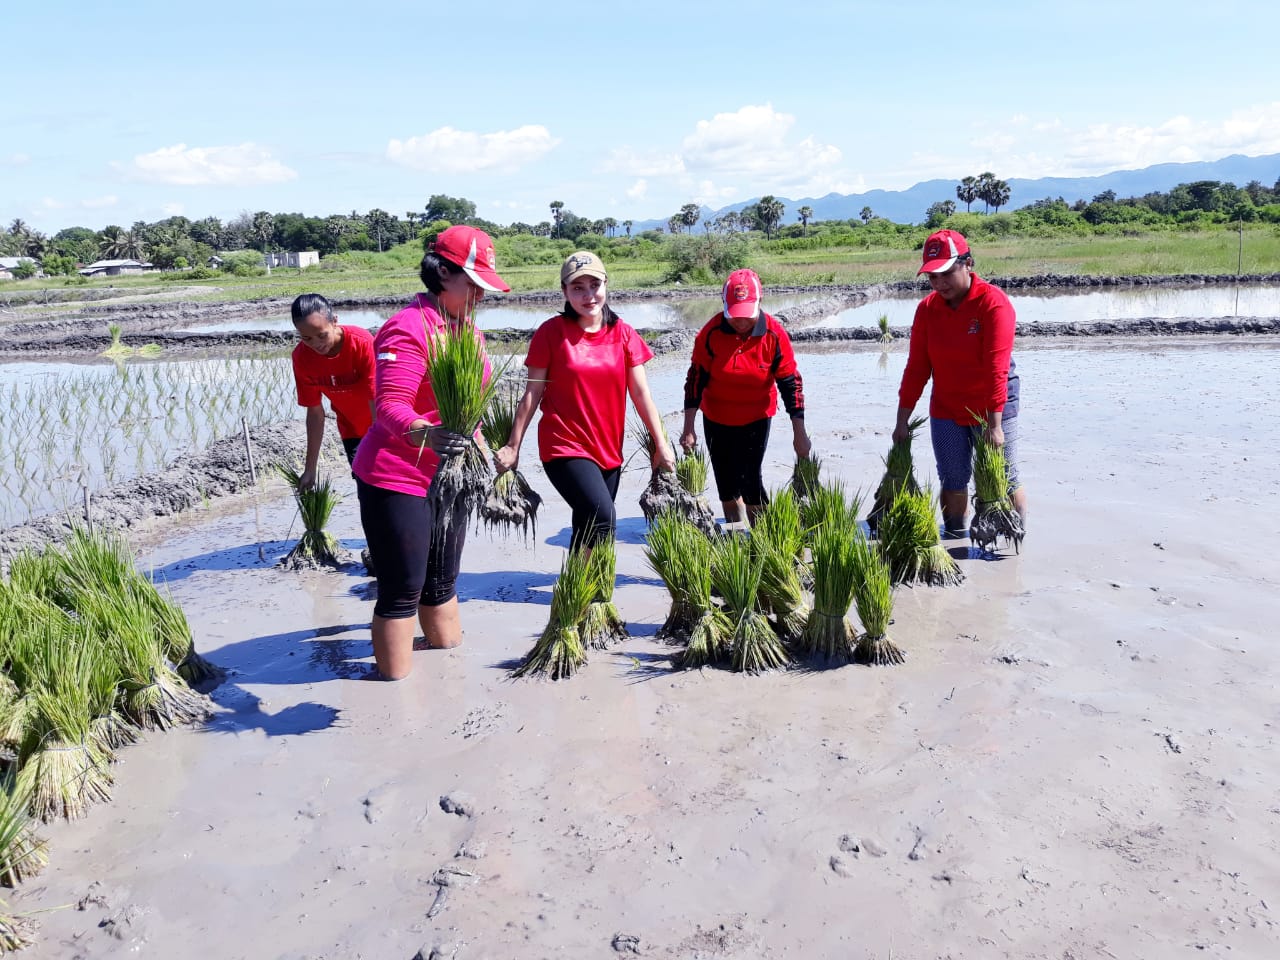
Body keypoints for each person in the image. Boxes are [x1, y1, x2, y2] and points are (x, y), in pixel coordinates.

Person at [350, 225, 508, 680]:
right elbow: (389, 406)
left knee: (441, 582)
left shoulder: (465, 329)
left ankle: (448, 673)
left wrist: (481, 447)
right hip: (396, 475)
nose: (481, 295)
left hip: (450, 474)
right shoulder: (409, 327)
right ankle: (392, 698)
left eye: (485, 286)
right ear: (442, 272)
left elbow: (469, 408)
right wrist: (425, 432)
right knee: (403, 587)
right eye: (473, 284)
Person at [495, 250, 675, 549]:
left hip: (608, 448)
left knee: (587, 524)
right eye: (578, 287)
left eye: (595, 285)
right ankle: (589, 590)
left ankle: (577, 591)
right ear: (565, 291)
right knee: (603, 516)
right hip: (563, 445)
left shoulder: (624, 334)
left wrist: (661, 444)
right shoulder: (551, 333)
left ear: (606, 285)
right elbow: (532, 393)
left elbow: (642, 395)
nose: (588, 295)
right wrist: (513, 447)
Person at [893, 229, 1027, 538]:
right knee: (953, 479)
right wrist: (902, 421)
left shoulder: (993, 304)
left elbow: (996, 368)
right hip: (948, 406)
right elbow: (916, 368)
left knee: (1003, 478)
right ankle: (955, 539)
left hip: (994, 405)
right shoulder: (927, 310)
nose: (939, 283)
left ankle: (1016, 545)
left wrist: (994, 426)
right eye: (932, 277)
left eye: (946, 273)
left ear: (968, 264)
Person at [679, 268, 811, 525]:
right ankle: (736, 538)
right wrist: (688, 428)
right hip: (717, 416)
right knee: (725, 482)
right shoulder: (710, 333)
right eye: (734, 315)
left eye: (746, 316)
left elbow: (790, 384)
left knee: (751, 479)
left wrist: (800, 433)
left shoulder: (774, 334)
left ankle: (761, 538)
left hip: (756, 416)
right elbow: (695, 380)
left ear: (759, 303)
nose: (740, 322)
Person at [289, 293, 376, 488]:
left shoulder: (361, 343)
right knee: (366, 491)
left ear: (334, 321)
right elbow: (315, 412)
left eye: (322, 335)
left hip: (382, 429)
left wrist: (383, 447)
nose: (316, 344)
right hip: (352, 432)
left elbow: (376, 400)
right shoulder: (302, 358)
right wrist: (310, 469)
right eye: (306, 338)